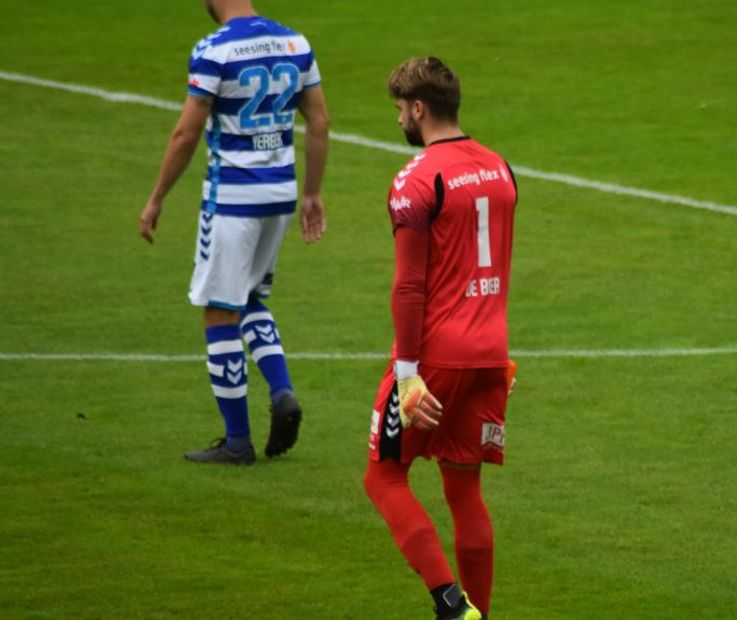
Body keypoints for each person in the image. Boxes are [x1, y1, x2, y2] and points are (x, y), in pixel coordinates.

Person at [138, 0, 329, 464]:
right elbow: (319, 121)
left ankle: (237, 442)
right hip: (280, 193)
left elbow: (186, 133)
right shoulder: (294, 41)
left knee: (219, 310)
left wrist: (157, 196)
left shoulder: (214, 50)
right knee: (250, 300)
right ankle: (281, 392)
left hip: (233, 198)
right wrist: (312, 194)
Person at [363, 57, 517, 620]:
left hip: (436, 358)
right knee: (464, 488)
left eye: (401, 109)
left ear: (419, 108)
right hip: (490, 356)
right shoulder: (500, 168)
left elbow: (409, 285)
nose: (400, 118)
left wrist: (407, 375)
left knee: (383, 477)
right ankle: (481, 614)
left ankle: (451, 606)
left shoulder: (417, 178)